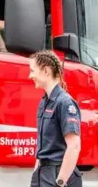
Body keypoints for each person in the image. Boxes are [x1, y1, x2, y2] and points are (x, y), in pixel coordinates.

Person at [29, 50, 82, 187]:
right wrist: (36, 172)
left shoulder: (64, 102)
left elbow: (74, 145)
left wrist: (60, 181)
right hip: (43, 173)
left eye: (32, 71)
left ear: (46, 71)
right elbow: (43, 146)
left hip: (57, 174)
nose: (30, 76)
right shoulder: (44, 102)